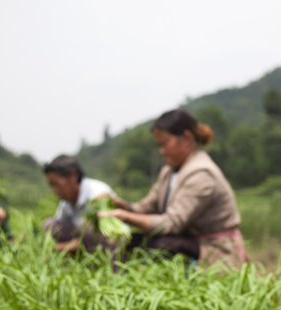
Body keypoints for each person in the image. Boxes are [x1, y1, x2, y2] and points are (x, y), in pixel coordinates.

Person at [99, 109, 246, 268]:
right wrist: (122, 206)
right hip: (187, 241)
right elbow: (148, 206)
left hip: (212, 248)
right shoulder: (169, 171)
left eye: (164, 144)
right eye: (159, 146)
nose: (161, 151)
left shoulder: (202, 174)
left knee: (163, 244)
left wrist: (126, 217)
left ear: (186, 138)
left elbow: (173, 223)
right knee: (135, 241)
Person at [42, 154, 122, 255]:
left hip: (111, 244)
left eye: (56, 185)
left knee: (85, 226)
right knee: (51, 225)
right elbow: (60, 225)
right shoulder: (66, 201)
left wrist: (57, 248)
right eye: (51, 186)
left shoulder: (97, 194)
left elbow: (95, 234)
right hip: (84, 242)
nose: (54, 191)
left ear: (72, 176)